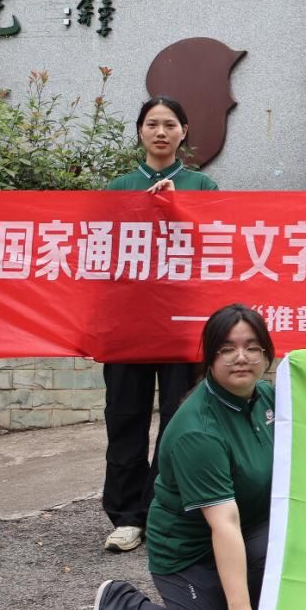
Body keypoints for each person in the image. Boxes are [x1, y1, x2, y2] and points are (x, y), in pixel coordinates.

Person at [88, 303, 276, 610]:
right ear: (209, 358)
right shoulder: (198, 431)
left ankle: (238, 606)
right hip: (191, 552)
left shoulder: (266, 398)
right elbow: (223, 523)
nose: (241, 357)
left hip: (248, 533)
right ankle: (115, 603)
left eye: (252, 347)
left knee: (299, 539)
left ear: (266, 353)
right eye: (227, 349)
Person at [100, 97, 218, 554]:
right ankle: (126, 517)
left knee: (178, 420)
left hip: (183, 325)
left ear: (184, 132)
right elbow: (101, 249)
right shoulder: (120, 186)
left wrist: (178, 207)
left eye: (170, 124)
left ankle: (163, 510)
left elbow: (215, 244)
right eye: (152, 124)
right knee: (124, 419)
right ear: (140, 132)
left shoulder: (202, 185)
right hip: (128, 325)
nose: (161, 132)